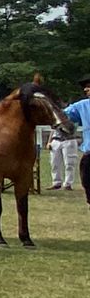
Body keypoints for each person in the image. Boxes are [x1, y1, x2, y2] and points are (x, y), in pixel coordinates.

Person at [65, 76, 90, 208]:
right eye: (85, 86)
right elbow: (63, 115)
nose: (86, 89)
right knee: (87, 180)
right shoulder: (82, 106)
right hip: (89, 152)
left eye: (89, 86)